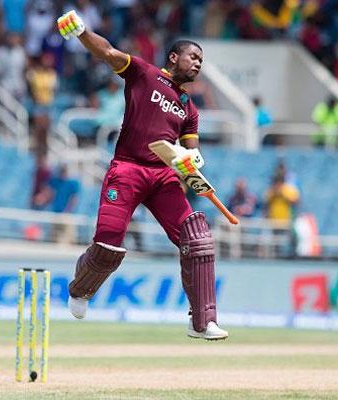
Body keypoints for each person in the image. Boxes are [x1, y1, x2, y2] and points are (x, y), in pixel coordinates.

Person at [57, 10, 227, 340]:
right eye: (193, 56)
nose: (198, 64)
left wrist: (191, 161)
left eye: (201, 60)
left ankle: (201, 321)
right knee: (108, 245)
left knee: (198, 240)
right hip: (128, 168)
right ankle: (80, 289)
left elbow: (192, 150)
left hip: (163, 178)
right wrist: (81, 32)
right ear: (174, 56)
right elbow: (107, 52)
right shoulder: (144, 74)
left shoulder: (189, 108)